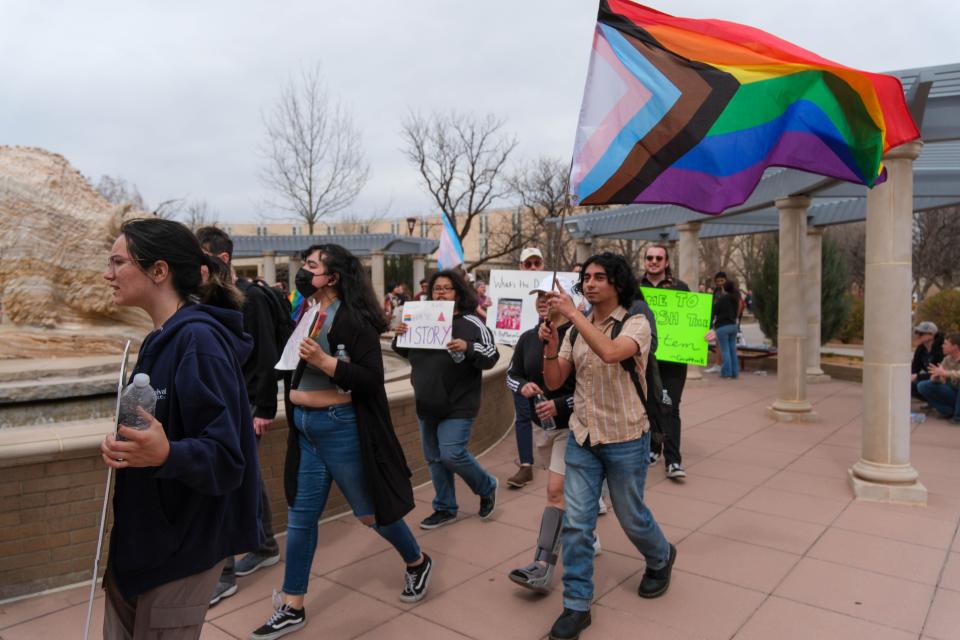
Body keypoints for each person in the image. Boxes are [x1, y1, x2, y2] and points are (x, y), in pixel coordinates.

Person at [252, 244, 431, 640]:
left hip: (341, 429)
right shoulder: (309, 311)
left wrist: (326, 363)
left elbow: (370, 379)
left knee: (370, 514)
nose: (304, 272)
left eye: (312, 267)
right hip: (305, 431)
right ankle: (292, 605)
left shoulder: (354, 320)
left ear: (333, 277)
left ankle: (417, 562)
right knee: (300, 519)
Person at [99, 218, 262, 639]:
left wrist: (167, 453)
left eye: (118, 262)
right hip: (139, 544)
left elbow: (228, 458)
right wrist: (128, 444)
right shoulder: (159, 338)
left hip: (179, 550)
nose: (107, 274)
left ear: (158, 271)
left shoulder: (200, 343)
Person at [540, 253, 674, 640]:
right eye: (586, 277)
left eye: (600, 277)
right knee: (578, 525)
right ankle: (576, 605)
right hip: (583, 437)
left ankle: (661, 556)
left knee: (631, 516)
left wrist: (573, 315)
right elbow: (553, 380)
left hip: (626, 437)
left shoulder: (637, 321)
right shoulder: (573, 330)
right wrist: (550, 343)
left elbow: (612, 352)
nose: (591, 283)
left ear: (617, 283)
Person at [195, 227, 284, 606]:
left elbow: (265, 354)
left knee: (226, 481)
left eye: (198, 256)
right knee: (244, 476)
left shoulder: (250, 298)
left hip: (245, 405)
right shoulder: (211, 298)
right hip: (232, 402)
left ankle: (224, 573)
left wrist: (264, 409)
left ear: (221, 259)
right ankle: (263, 545)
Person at [393, 269, 500, 529]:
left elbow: (492, 355)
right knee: (434, 458)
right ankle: (445, 508)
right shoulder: (420, 317)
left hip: (459, 403)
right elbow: (404, 351)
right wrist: (401, 333)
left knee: (451, 454)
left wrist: (468, 347)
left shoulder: (471, 323)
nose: (440, 291)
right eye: (436, 288)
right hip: (426, 402)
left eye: (446, 288)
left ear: (458, 292)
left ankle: (487, 485)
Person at [507, 280, 584, 593]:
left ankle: (542, 566)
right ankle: (586, 531)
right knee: (570, 494)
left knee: (554, 491)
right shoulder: (528, 338)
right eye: (538, 297)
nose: (542, 302)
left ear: (566, 299)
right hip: (544, 429)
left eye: (549, 296)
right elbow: (512, 374)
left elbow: (593, 388)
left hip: (576, 426)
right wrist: (523, 386)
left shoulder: (581, 335)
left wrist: (561, 403)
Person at [639, 244, 690, 480]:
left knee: (670, 406)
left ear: (666, 262)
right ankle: (653, 448)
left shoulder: (681, 288)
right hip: (646, 360)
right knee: (650, 407)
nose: (654, 261)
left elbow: (692, 321)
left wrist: (705, 335)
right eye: (650, 257)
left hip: (673, 361)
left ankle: (673, 460)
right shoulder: (636, 289)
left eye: (659, 258)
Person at [507, 247, 545, 487]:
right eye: (527, 264)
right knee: (522, 416)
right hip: (522, 360)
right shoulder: (509, 288)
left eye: (536, 263)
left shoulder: (551, 289)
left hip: (551, 362)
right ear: (521, 267)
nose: (532, 268)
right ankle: (526, 464)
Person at [917, 332, 960, 423]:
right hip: (954, 393)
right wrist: (936, 378)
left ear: (955, 346)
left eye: (945, 344)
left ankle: (958, 417)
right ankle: (948, 411)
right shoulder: (947, 359)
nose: (942, 346)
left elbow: (950, 373)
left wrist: (944, 373)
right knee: (923, 385)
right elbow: (943, 379)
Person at [713, 279, 742, 379]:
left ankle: (727, 372)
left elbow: (714, 311)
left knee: (725, 350)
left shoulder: (722, 299)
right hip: (733, 326)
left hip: (723, 326)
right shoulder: (735, 299)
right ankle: (735, 372)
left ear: (724, 288)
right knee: (732, 350)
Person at [911, 321, 944, 399]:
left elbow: (938, 372)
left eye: (921, 333)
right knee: (908, 385)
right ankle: (930, 401)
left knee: (921, 385)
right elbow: (915, 367)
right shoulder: (920, 348)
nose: (918, 336)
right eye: (917, 332)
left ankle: (935, 401)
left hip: (940, 380)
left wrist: (917, 376)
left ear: (932, 334)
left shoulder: (941, 349)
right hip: (929, 378)